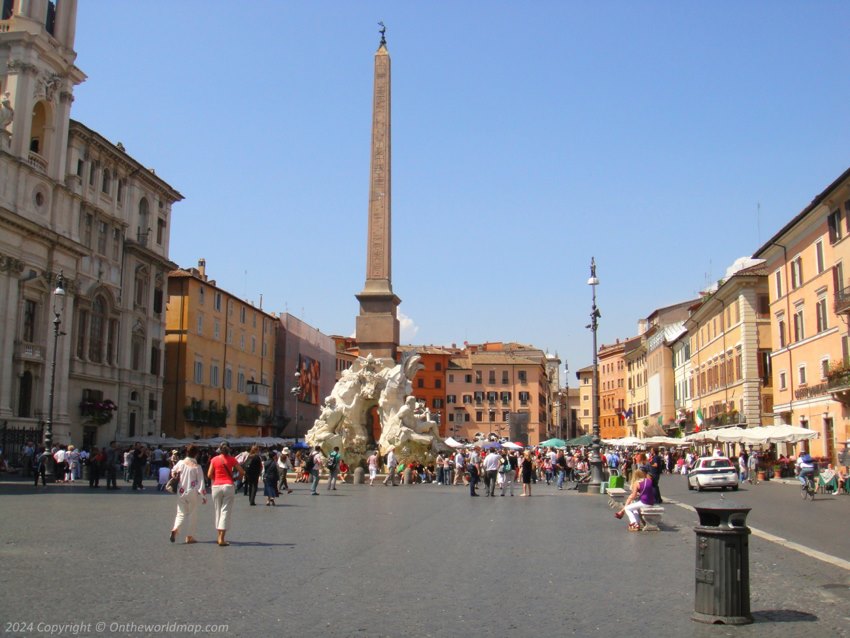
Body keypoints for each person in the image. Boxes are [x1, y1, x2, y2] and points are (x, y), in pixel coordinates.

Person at [207, 443, 244, 546]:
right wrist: (236, 478)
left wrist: (217, 479)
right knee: (225, 511)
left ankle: (219, 536)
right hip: (228, 486)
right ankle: (221, 538)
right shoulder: (232, 459)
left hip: (216, 486)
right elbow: (242, 471)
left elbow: (209, 474)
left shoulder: (214, 459)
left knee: (217, 510)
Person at [170, 444, 207, 544]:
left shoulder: (181, 463)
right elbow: (201, 482)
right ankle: (189, 536)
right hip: (192, 491)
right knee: (192, 514)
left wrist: (175, 475)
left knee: (180, 512)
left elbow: (173, 471)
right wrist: (203, 495)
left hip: (181, 490)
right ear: (196, 454)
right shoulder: (197, 467)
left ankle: (175, 528)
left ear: (187, 452)